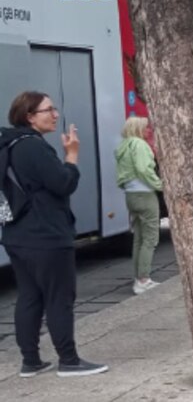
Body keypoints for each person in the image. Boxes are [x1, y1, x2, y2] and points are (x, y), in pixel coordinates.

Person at [0, 91, 109, 377]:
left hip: (16, 234)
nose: (55, 115)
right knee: (59, 298)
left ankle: (30, 361)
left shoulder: (9, 145)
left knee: (29, 297)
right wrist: (71, 156)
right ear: (30, 116)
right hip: (46, 235)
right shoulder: (33, 147)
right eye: (48, 110)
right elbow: (63, 183)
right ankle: (69, 361)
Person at [114, 117, 164, 295]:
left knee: (138, 238)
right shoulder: (140, 145)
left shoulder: (123, 146)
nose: (149, 130)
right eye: (146, 127)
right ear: (138, 129)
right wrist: (160, 185)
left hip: (131, 195)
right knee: (150, 238)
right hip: (145, 194)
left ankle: (138, 278)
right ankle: (143, 280)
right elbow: (144, 169)